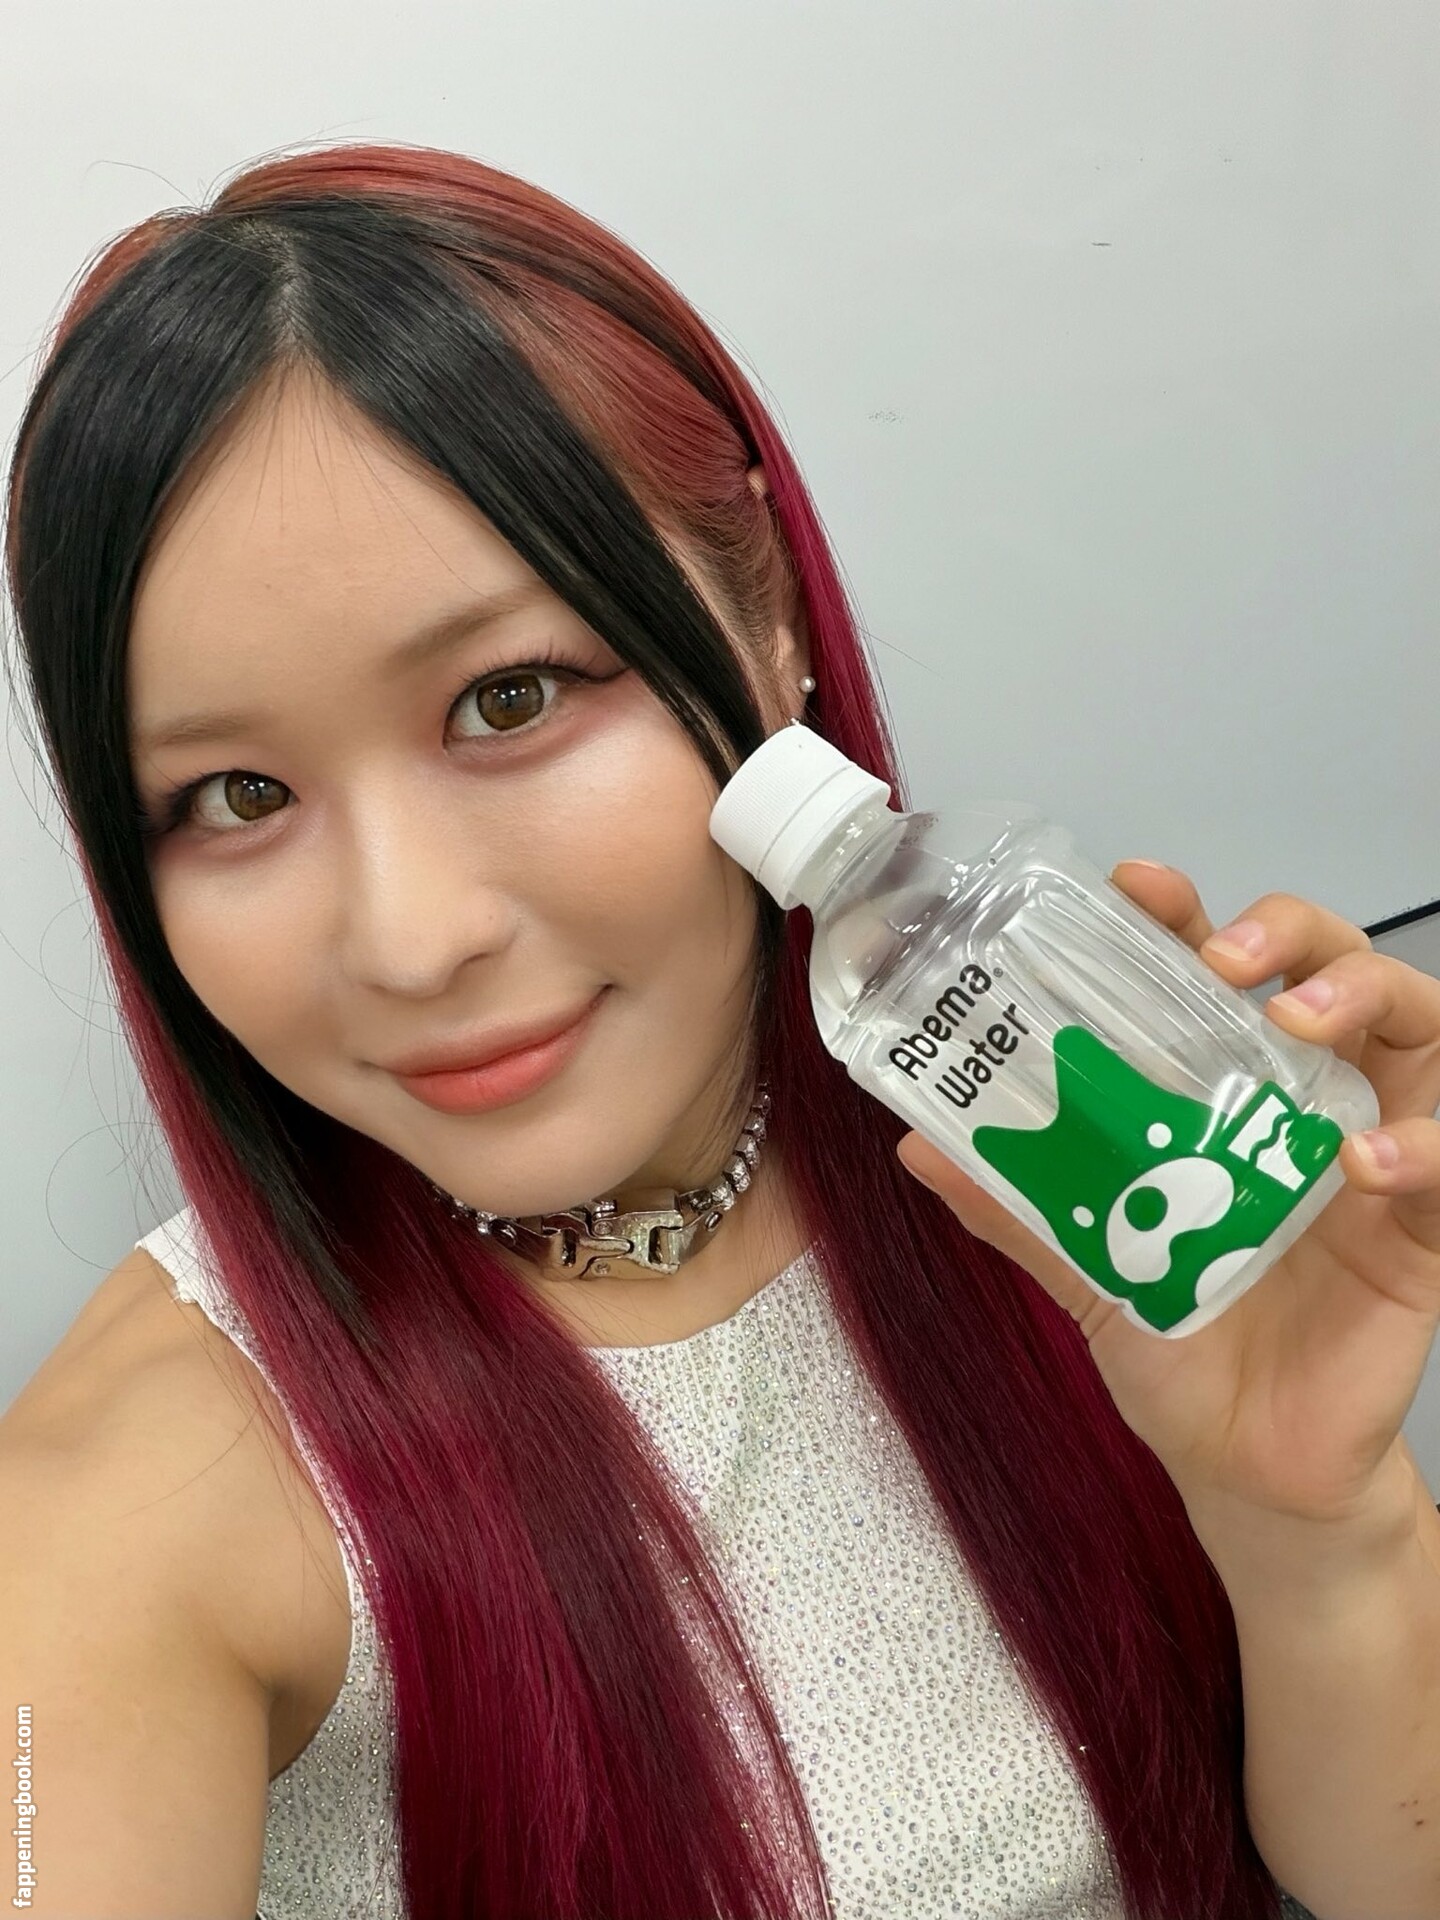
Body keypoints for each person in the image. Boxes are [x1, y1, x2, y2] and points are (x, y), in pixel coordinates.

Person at [3, 141, 1434, 1920]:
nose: (415, 940)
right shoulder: (140, 1500)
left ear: (763, 623)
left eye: (507, 698)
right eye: (235, 795)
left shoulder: (1053, 1139)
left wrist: (1318, 1524)